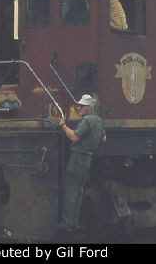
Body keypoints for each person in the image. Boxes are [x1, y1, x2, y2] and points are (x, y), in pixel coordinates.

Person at [57, 94, 106, 232]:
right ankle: (75, 222)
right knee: (79, 191)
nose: (79, 108)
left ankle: (67, 223)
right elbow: (104, 138)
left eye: (83, 106)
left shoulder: (87, 120)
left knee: (70, 191)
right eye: (79, 106)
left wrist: (63, 126)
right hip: (87, 159)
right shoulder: (98, 120)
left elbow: (74, 137)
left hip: (77, 159)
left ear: (90, 107)